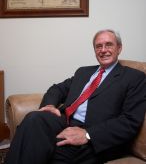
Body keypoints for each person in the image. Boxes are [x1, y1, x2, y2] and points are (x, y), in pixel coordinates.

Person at [5, 29, 146, 164]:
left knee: (50, 149)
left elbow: (130, 121)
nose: (103, 50)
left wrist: (87, 134)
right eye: (98, 46)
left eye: (109, 45)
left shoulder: (134, 78)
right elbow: (57, 89)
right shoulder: (83, 72)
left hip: (94, 133)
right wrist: (50, 105)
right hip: (64, 120)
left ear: (119, 48)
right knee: (33, 118)